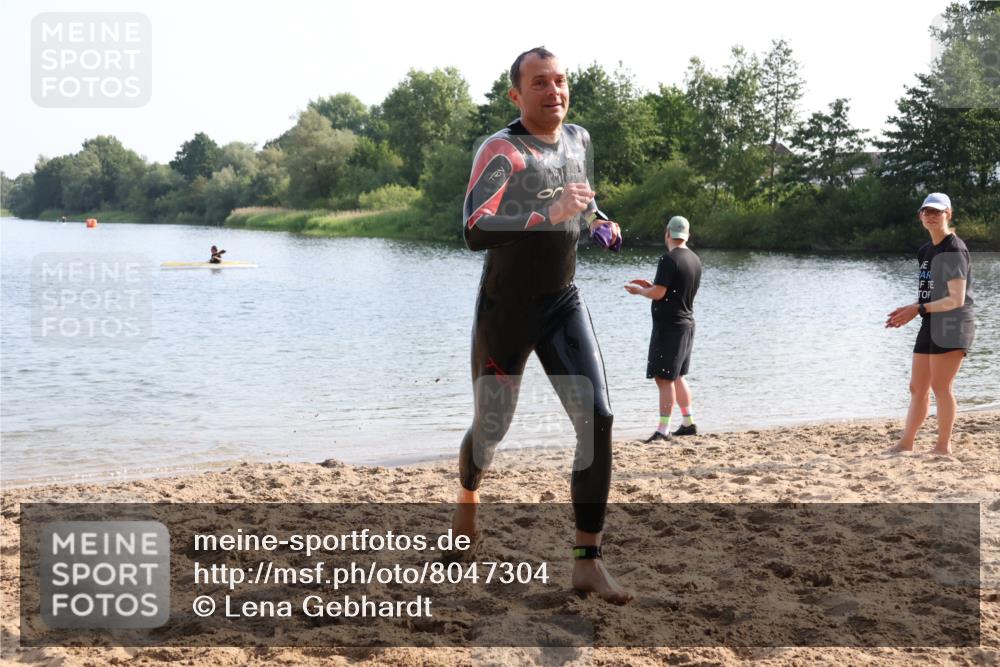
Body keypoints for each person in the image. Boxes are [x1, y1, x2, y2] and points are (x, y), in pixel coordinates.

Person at [454, 46, 632, 604]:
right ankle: (466, 502)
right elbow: (475, 228)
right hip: (505, 311)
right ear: (516, 94)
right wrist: (547, 216)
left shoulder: (578, 139)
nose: (553, 91)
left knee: (598, 417)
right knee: (491, 429)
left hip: (561, 303)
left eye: (560, 81)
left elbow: (580, 200)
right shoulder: (503, 149)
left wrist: (599, 220)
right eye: (539, 83)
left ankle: (587, 561)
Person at [885, 193, 975, 455]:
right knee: (917, 387)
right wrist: (912, 308)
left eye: (937, 211)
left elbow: (956, 299)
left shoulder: (953, 249)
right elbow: (934, 293)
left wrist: (918, 308)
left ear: (949, 213)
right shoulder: (925, 251)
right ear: (920, 216)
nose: (932, 216)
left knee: (940, 387)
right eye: (927, 212)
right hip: (930, 321)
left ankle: (942, 447)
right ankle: (906, 442)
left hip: (954, 323)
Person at [625, 216, 702, 443]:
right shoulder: (694, 259)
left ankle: (663, 429)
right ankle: (688, 423)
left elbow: (660, 294)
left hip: (670, 328)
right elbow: (670, 289)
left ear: (667, 233)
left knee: (664, 378)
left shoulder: (669, 259)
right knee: (677, 375)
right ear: (687, 235)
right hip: (686, 324)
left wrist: (639, 291)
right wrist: (651, 286)